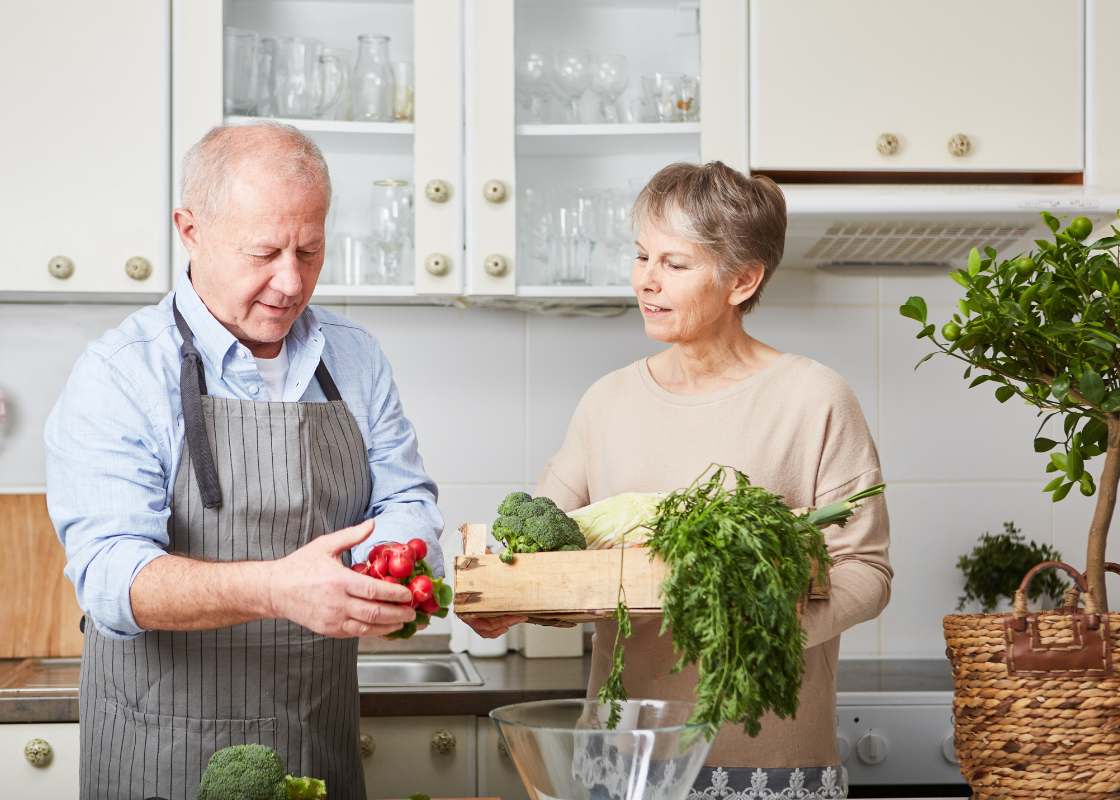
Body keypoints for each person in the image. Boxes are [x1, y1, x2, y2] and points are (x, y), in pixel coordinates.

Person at [468, 162, 891, 799]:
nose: (646, 280)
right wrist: (508, 598)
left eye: (674, 263)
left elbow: (867, 569)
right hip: (624, 755)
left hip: (769, 755)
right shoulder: (606, 402)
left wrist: (756, 628)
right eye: (641, 256)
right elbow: (544, 550)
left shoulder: (814, 397)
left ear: (742, 280)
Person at [45, 122, 441, 800]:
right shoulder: (119, 374)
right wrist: (275, 589)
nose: (290, 281)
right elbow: (112, 578)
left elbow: (406, 500)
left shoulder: (356, 356)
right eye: (264, 252)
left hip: (321, 743)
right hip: (162, 757)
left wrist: (392, 573)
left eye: (309, 251)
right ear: (190, 229)